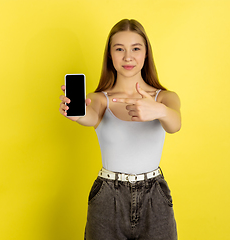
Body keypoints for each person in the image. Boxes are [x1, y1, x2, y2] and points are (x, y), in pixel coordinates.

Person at [59, 19, 181, 240]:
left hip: (155, 197)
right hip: (108, 197)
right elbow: (91, 116)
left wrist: (158, 110)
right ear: (110, 56)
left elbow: (175, 124)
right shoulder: (99, 100)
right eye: (119, 49)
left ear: (146, 55)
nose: (128, 57)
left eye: (136, 48)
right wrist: (77, 114)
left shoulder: (164, 97)